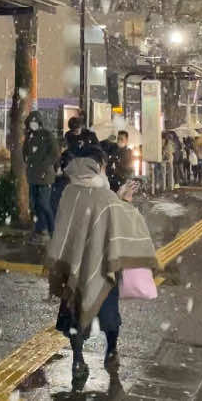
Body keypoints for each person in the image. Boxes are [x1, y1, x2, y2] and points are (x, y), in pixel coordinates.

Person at [47, 146, 157, 391]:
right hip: (102, 263)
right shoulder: (105, 197)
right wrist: (125, 201)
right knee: (108, 313)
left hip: (74, 265)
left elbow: (66, 224)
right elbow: (123, 219)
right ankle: (112, 352)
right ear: (98, 166)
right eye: (105, 165)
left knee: (75, 311)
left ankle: (77, 361)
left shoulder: (69, 191)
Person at [23, 111, 59, 239]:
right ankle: (39, 230)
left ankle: (52, 230)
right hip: (33, 176)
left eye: (34, 122)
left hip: (45, 177)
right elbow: (25, 153)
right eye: (30, 123)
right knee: (34, 205)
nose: (32, 125)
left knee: (44, 204)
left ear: (39, 123)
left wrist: (44, 166)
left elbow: (55, 154)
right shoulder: (29, 137)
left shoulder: (48, 136)